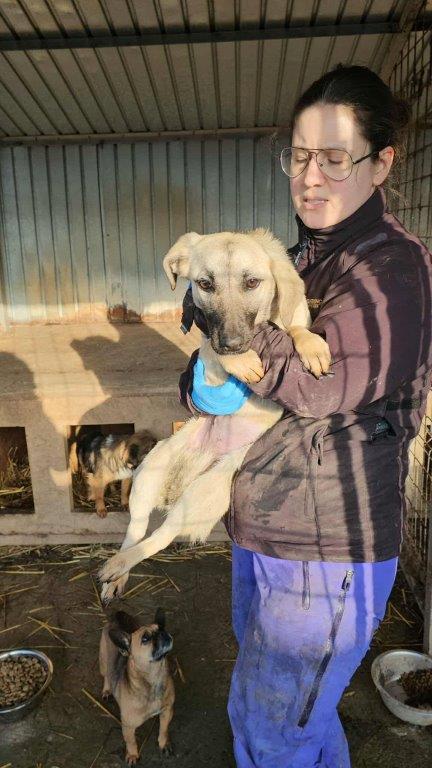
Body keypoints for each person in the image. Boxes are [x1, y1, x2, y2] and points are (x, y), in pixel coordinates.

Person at [178, 65, 432, 768]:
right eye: (298, 156)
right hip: (263, 522)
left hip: (327, 547)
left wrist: (228, 327)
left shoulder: (391, 270)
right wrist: (204, 378)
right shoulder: (285, 262)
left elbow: (324, 386)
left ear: (382, 164)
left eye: (334, 159)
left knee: (273, 728)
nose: (310, 178)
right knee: (286, 716)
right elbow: (210, 359)